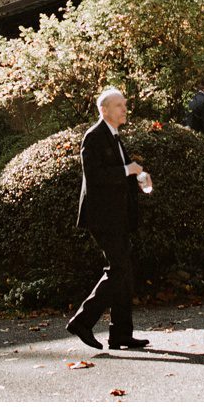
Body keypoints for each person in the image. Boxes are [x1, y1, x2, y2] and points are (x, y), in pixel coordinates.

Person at [66, 87, 150, 352]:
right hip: (102, 217)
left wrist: (137, 178)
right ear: (104, 110)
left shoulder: (114, 136)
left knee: (124, 272)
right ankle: (82, 321)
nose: (125, 109)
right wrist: (127, 169)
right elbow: (95, 176)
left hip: (118, 215)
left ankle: (121, 334)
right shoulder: (94, 136)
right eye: (119, 105)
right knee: (119, 269)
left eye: (124, 105)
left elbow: (116, 175)